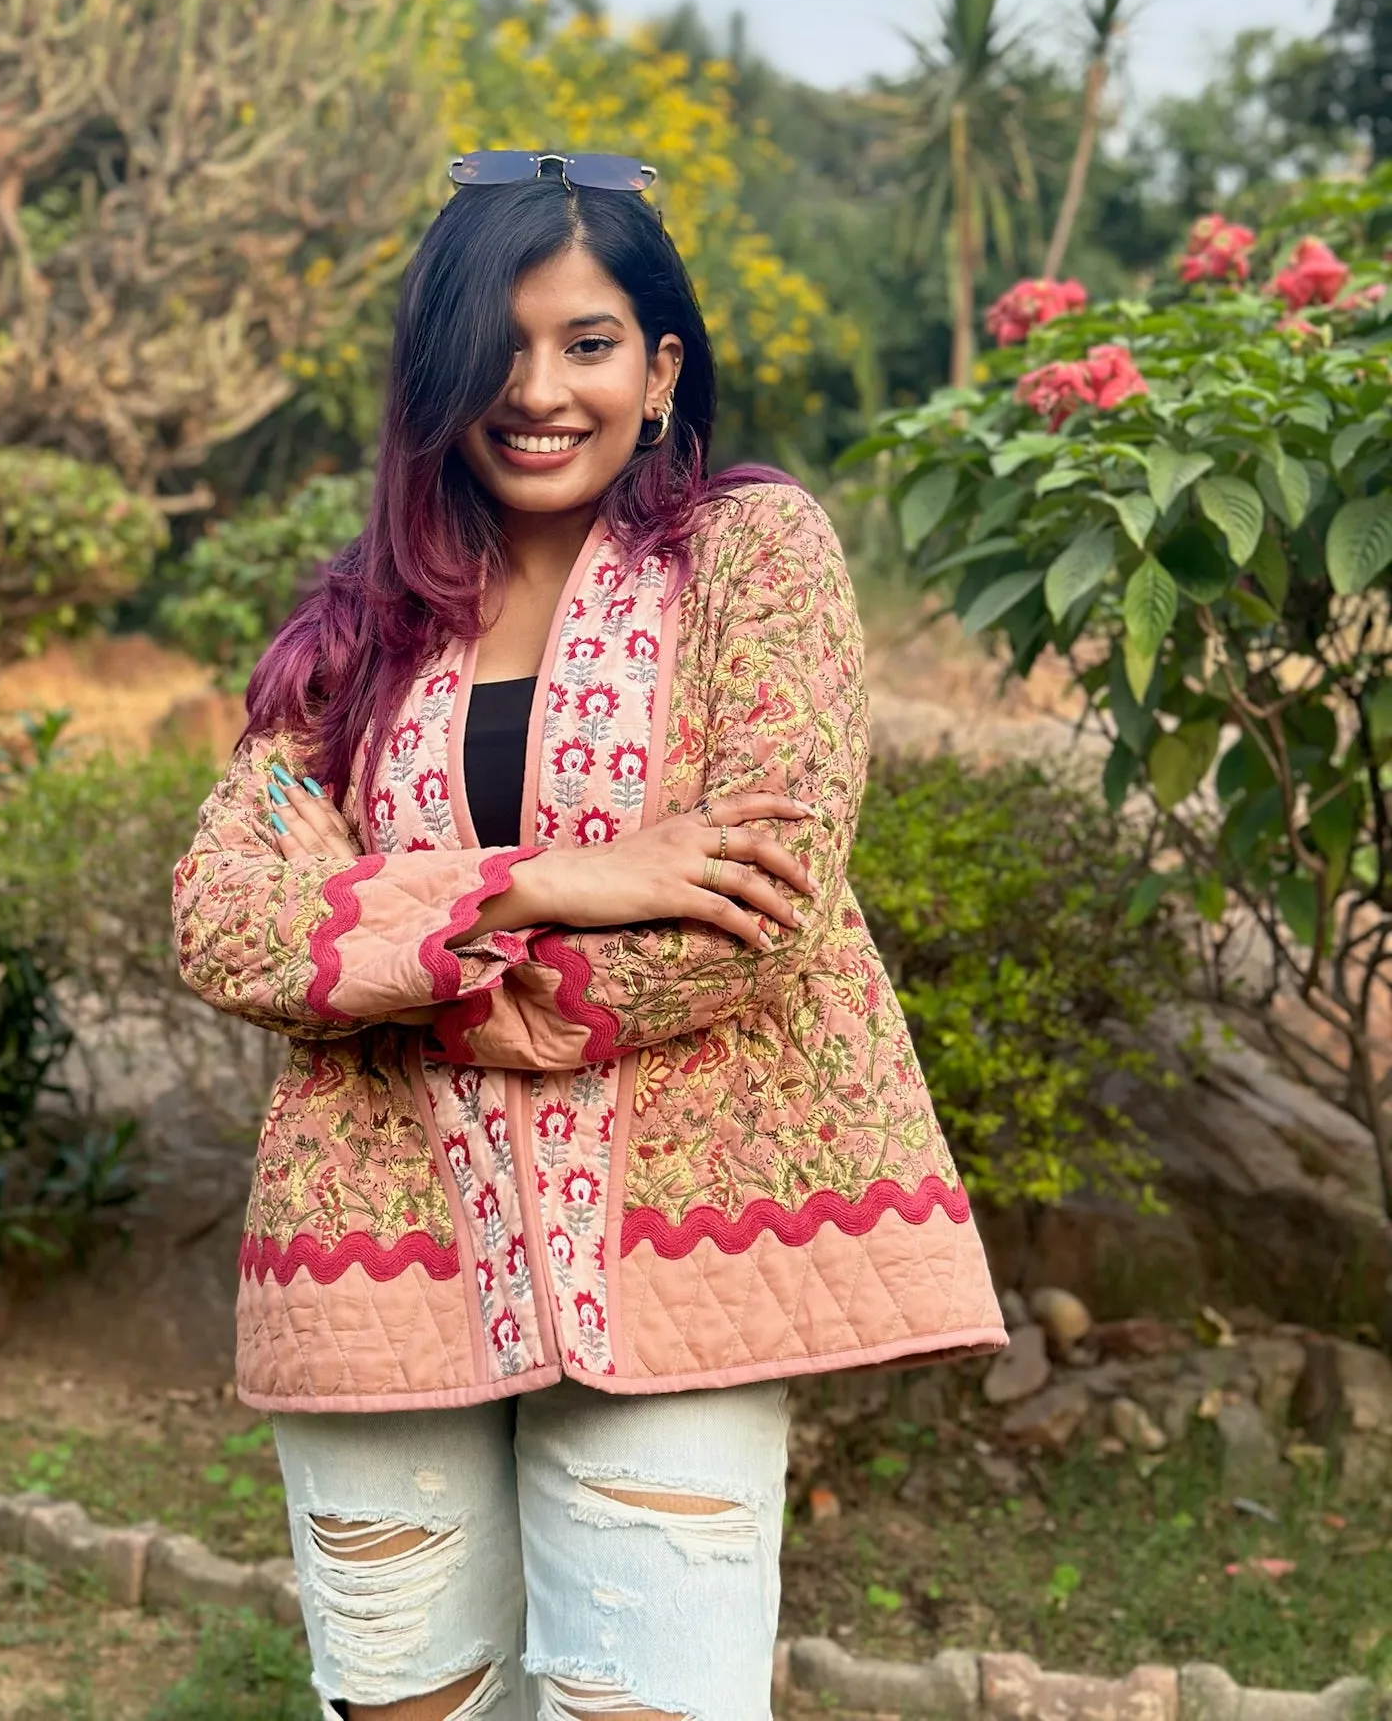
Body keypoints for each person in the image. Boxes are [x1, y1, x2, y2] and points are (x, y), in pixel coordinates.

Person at [172, 151, 1004, 1721]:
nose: (536, 389)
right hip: (376, 1249)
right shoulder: (357, 624)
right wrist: (550, 882)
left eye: (587, 341)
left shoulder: (752, 557)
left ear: (662, 365)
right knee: (405, 1705)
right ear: (435, 374)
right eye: (494, 347)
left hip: (679, 1239)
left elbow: (761, 906)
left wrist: (394, 978)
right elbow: (228, 921)